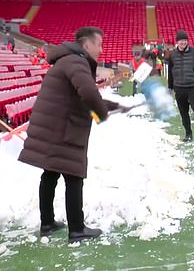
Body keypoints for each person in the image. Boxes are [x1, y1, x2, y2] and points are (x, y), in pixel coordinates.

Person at [18, 27, 130, 242]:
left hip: (54, 127)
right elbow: (88, 93)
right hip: (62, 130)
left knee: (50, 173)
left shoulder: (67, 61)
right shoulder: (77, 62)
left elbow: (80, 97)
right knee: (74, 176)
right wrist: (102, 113)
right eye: (99, 44)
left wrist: (113, 105)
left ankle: (47, 223)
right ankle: (77, 229)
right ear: (87, 44)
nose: (101, 49)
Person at [167, 29, 194, 143]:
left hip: (192, 86)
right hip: (179, 87)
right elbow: (170, 71)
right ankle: (188, 134)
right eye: (181, 41)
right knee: (183, 112)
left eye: (185, 40)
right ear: (177, 42)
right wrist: (170, 87)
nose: (183, 43)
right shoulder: (172, 55)